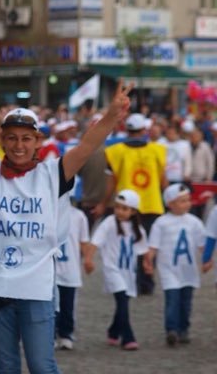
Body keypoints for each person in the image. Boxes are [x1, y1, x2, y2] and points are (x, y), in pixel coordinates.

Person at [0, 54, 131, 374]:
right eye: (12, 138)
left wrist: (113, 115)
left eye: (26, 138)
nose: (19, 145)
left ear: (38, 142)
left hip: (35, 287)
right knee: (6, 367)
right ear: (2, 139)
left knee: (42, 366)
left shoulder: (52, 174)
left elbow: (87, 146)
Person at [94, 112, 167, 295]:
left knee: (128, 244)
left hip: (126, 207)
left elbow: (110, 183)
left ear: (126, 129)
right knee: (148, 244)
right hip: (152, 204)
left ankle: (127, 279)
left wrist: (103, 203)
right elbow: (163, 181)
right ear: (144, 130)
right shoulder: (158, 150)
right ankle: (146, 281)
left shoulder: (115, 151)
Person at [84, 189, 148, 351]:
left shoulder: (138, 229)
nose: (119, 211)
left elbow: (143, 250)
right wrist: (88, 259)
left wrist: (148, 264)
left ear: (133, 211)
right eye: (117, 207)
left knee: (123, 302)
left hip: (128, 272)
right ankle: (128, 337)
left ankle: (113, 331)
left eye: (124, 208)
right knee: (121, 299)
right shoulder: (109, 223)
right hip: (112, 269)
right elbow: (95, 242)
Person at [145, 183, 205, 346]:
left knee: (186, 302)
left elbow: (202, 245)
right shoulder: (161, 222)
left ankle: (183, 329)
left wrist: (207, 260)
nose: (187, 203)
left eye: (188, 200)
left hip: (188, 270)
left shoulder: (195, 222)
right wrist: (148, 261)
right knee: (172, 300)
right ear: (170, 203)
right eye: (182, 201)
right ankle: (171, 330)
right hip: (169, 270)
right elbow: (153, 246)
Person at [55, 202, 90, 351]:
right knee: (51, 307)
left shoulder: (79, 216)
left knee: (68, 305)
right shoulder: (47, 209)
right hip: (51, 270)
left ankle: (66, 334)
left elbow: (83, 242)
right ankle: (50, 335)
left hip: (71, 269)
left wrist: (88, 259)